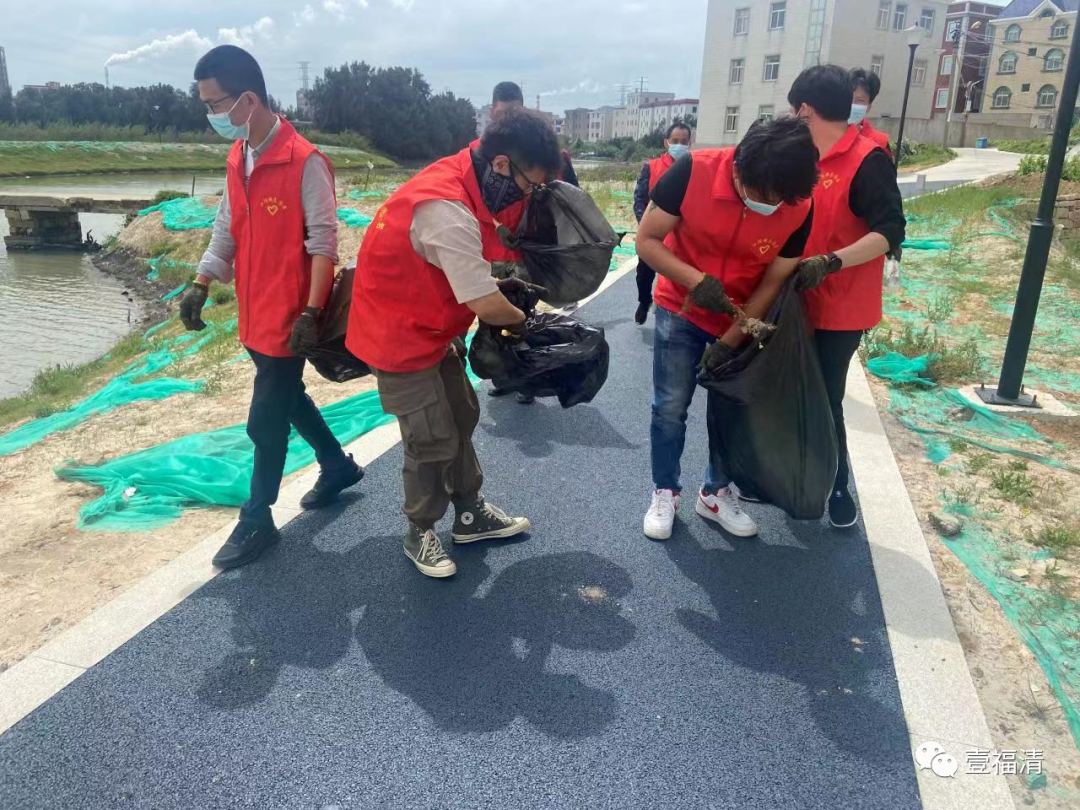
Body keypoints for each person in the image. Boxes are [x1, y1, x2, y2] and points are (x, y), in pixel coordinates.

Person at [346, 107, 560, 579]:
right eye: (530, 185)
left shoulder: (468, 179)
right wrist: (528, 323)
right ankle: (418, 529)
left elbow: (475, 271)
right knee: (429, 438)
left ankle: (469, 514)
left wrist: (503, 286)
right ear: (503, 165)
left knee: (461, 414)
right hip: (398, 335)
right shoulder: (445, 208)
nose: (527, 195)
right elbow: (485, 301)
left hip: (430, 324)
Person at [179, 45, 363, 570]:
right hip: (253, 312)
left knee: (266, 416)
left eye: (215, 104)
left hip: (291, 319)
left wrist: (310, 312)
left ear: (248, 100)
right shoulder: (238, 157)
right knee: (287, 396)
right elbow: (224, 229)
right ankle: (335, 465)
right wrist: (200, 282)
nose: (211, 115)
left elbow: (324, 244)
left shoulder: (305, 161)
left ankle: (256, 519)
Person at [635, 116, 819, 541]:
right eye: (761, 195)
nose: (770, 204)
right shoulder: (692, 172)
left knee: (733, 411)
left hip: (740, 317)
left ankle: (715, 491)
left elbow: (774, 280)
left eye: (780, 199)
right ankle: (665, 489)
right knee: (669, 406)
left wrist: (732, 338)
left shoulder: (798, 206)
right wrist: (696, 282)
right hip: (679, 309)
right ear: (739, 167)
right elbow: (647, 241)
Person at [787, 64, 906, 528]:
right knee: (787, 387)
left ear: (804, 109)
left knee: (824, 394)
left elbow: (891, 231)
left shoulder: (867, 158)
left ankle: (838, 486)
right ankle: (788, 473)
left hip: (840, 304)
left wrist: (831, 261)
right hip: (793, 297)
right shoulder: (802, 157)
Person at [481, 80, 580, 404]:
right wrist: (496, 227)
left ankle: (527, 378)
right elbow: (474, 202)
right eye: (500, 113)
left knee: (523, 310)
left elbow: (569, 198)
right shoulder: (482, 153)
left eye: (512, 113)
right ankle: (502, 375)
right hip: (493, 251)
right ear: (493, 111)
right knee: (492, 315)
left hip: (528, 250)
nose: (505, 119)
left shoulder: (543, 156)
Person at [632, 121, 692, 324]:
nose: (680, 145)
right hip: (654, 234)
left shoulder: (695, 169)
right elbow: (639, 198)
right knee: (644, 274)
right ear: (666, 142)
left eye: (684, 141)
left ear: (690, 143)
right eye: (675, 141)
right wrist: (644, 226)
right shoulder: (651, 167)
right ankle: (644, 301)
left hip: (682, 237)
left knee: (677, 277)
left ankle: (671, 310)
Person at [848, 68, 892, 158]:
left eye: (860, 100)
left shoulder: (880, 143)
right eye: (847, 98)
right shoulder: (826, 138)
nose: (851, 104)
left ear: (868, 107)